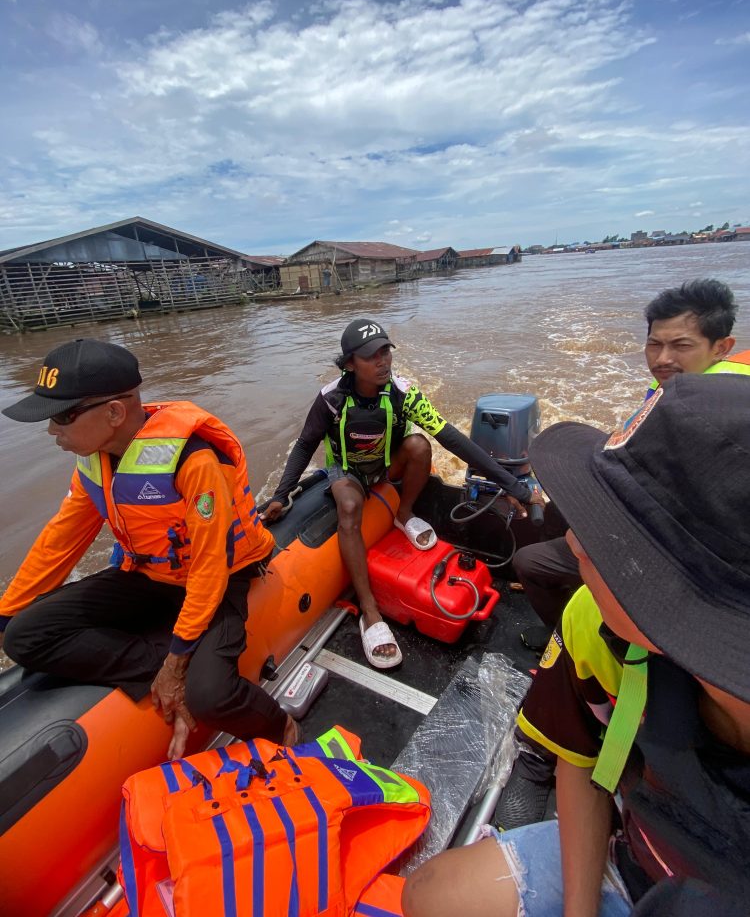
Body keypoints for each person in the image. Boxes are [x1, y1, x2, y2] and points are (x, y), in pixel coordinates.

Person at [402, 373, 750, 917]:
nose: (570, 541)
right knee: (430, 895)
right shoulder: (593, 623)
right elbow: (584, 766)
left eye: (613, 532)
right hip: (638, 858)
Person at [0, 338, 297, 760]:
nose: (52, 431)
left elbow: (212, 566)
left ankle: (280, 723)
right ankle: (157, 659)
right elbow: (58, 541)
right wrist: (7, 613)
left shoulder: (193, 462)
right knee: (24, 635)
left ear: (114, 412)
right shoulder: (94, 462)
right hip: (148, 576)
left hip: (218, 580)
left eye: (62, 416)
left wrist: (177, 664)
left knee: (210, 696)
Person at [262, 318, 541, 668]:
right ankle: (370, 611)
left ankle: (403, 513)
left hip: (384, 466)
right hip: (346, 471)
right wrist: (280, 494)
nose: (383, 361)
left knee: (420, 445)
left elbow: (451, 437)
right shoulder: (331, 399)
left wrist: (513, 485)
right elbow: (305, 445)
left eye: (385, 352)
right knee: (349, 505)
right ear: (350, 364)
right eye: (371, 356)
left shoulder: (402, 392)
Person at [516, 277, 743, 654]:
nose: (662, 358)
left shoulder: (708, 420)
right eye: (654, 344)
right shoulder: (690, 390)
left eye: (681, 346)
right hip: (662, 526)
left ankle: (568, 642)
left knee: (530, 562)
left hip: (681, 562)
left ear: (722, 347)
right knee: (558, 511)